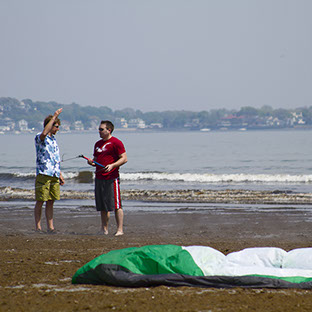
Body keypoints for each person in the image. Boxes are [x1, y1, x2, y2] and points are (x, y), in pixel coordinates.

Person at [87, 120, 127, 236]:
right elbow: (95, 160)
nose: (99, 131)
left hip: (111, 178)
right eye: (99, 129)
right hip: (99, 177)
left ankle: (120, 230)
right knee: (102, 205)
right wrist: (91, 162)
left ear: (108, 130)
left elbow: (124, 158)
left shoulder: (116, 142)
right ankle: (104, 229)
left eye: (101, 129)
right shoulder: (97, 144)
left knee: (116, 205)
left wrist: (113, 165)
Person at [34, 108, 65, 233]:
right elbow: (44, 133)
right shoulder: (40, 137)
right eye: (56, 126)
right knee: (41, 200)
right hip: (43, 173)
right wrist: (55, 116)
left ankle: (50, 227)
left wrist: (60, 174)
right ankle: (38, 227)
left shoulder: (54, 140)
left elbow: (55, 159)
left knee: (51, 201)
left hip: (54, 173)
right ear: (50, 125)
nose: (58, 129)